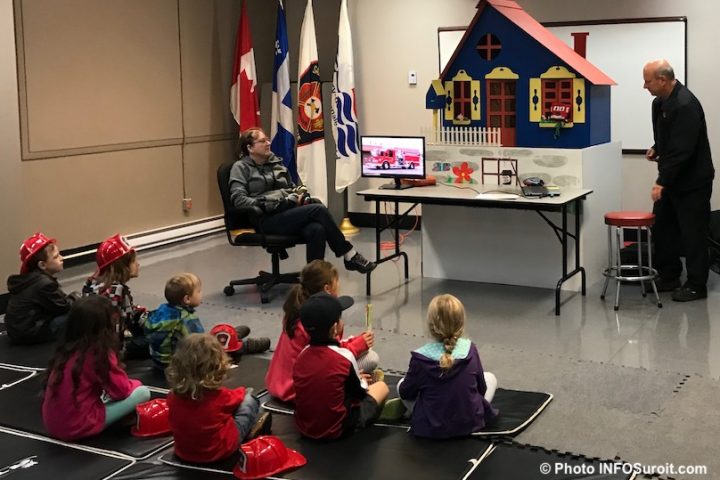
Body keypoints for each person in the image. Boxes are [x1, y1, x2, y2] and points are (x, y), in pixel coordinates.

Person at [228, 127, 376, 274]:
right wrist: (267, 202)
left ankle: (314, 280)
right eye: (262, 141)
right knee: (317, 209)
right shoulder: (240, 168)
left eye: (268, 140)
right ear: (250, 147)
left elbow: (291, 187)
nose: (268, 143)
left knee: (316, 228)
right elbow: (238, 200)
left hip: (285, 212)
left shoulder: (275, 163)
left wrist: (298, 194)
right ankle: (349, 254)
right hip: (264, 219)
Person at [643, 59, 714, 302]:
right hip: (672, 178)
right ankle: (669, 276)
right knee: (662, 227)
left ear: (662, 80)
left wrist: (661, 181)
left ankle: (696, 285)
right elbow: (668, 139)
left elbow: (683, 149)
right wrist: (656, 147)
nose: (645, 86)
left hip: (693, 181)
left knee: (693, 233)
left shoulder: (686, 104)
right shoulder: (658, 103)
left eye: (648, 80)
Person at [265, 260, 379, 402]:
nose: (339, 288)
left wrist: (356, 341)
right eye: (337, 284)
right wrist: (354, 376)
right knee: (371, 358)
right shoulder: (318, 319)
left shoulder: (297, 311)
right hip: (298, 390)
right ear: (327, 288)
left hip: (279, 383)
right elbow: (329, 356)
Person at [42, 296, 151, 441]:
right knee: (142, 392)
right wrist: (134, 384)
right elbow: (121, 391)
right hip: (77, 426)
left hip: (52, 424)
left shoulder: (66, 349)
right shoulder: (98, 353)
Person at [397, 294, 497, 439]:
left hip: (432, 427)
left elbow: (406, 393)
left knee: (401, 384)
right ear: (461, 322)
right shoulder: (470, 349)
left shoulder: (420, 358)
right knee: (491, 378)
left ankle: (416, 414)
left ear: (430, 325)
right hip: (470, 422)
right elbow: (482, 388)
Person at [292, 292, 389, 440]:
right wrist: (362, 380)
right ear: (335, 327)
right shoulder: (344, 356)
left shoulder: (301, 356)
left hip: (305, 428)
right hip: (337, 429)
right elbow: (359, 394)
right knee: (381, 387)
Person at [166, 334, 271, 463]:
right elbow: (240, 395)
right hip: (220, 451)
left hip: (184, 452)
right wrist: (244, 392)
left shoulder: (172, 396)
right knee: (250, 398)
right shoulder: (220, 396)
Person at [145, 273, 270, 370]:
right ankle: (244, 344)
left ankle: (232, 334)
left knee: (214, 338)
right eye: (198, 291)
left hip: (159, 362)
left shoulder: (162, 310)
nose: (201, 294)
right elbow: (201, 346)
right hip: (180, 366)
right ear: (187, 299)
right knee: (220, 347)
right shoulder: (186, 319)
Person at [82, 234, 149, 358]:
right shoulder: (116, 292)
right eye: (134, 261)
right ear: (121, 266)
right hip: (109, 353)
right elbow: (116, 330)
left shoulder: (92, 284)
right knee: (160, 340)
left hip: (89, 347)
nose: (138, 264)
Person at [5, 233, 77, 344]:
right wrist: (77, 297)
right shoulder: (44, 284)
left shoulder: (32, 280)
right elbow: (63, 307)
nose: (62, 258)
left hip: (17, 330)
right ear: (42, 265)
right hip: (29, 332)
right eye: (56, 256)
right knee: (79, 313)